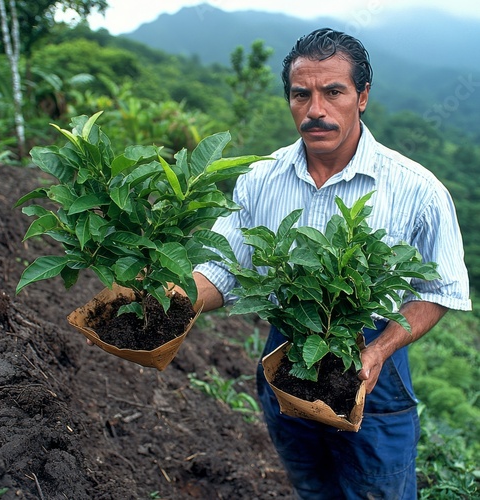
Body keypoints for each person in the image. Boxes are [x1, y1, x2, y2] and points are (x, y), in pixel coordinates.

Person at [191, 28, 471, 499]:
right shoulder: (261, 178)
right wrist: (174, 300)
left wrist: (379, 350)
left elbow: (437, 290)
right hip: (287, 346)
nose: (315, 109)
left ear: (361, 97)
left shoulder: (417, 191)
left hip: (371, 359)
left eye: (333, 92)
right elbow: (224, 266)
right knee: (309, 481)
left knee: (377, 489)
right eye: (301, 95)